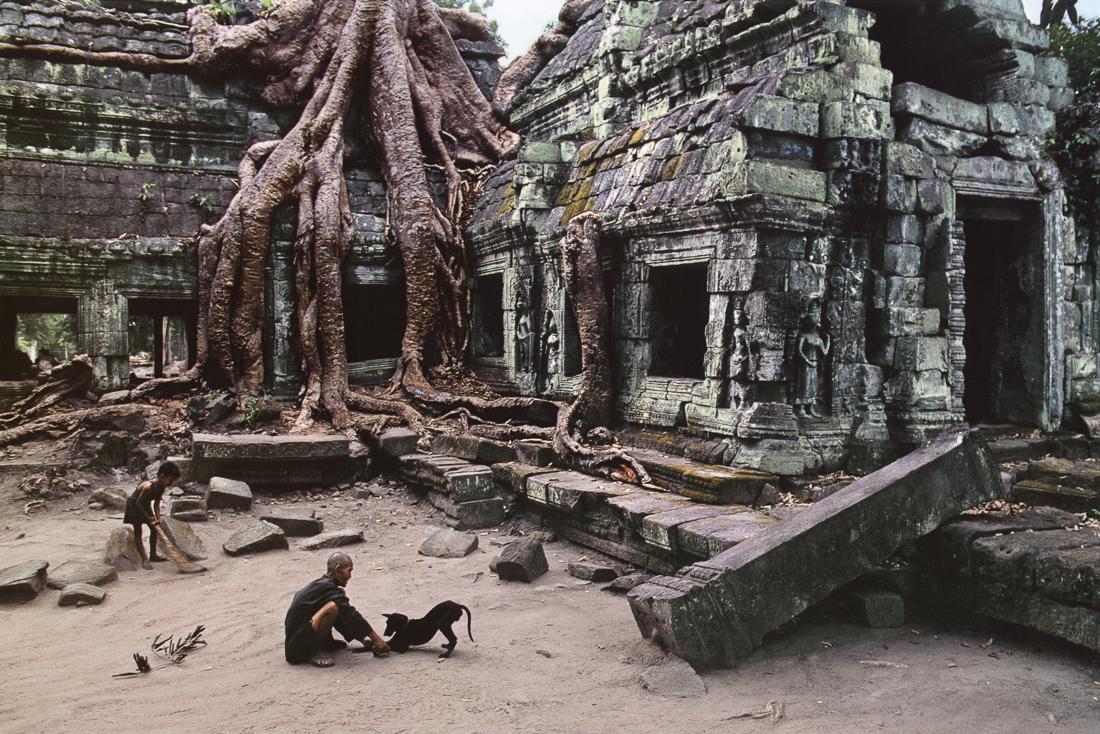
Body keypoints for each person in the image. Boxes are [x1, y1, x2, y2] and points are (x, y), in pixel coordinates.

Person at [284, 551, 390, 668]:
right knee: (332, 607)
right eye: (349, 571)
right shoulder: (327, 588)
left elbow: (345, 615)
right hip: (296, 648)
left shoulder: (326, 586)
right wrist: (376, 639)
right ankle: (313, 652)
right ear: (338, 569)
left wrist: (363, 638)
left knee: (339, 601)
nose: (350, 576)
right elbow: (351, 614)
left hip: (300, 638)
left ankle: (327, 643)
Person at [123, 461, 181, 569]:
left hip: (145, 505)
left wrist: (157, 519)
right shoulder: (148, 487)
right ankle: (145, 559)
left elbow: (157, 504)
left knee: (154, 529)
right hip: (134, 506)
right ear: (162, 476)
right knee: (138, 531)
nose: (171, 483)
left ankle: (153, 555)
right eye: (171, 480)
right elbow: (138, 503)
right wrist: (149, 517)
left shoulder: (161, 488)